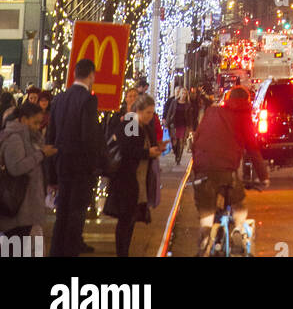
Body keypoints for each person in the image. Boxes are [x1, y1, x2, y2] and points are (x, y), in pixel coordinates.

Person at [191, 86, 268, 253]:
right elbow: (253, 149)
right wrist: (263, 177)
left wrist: (197, 168)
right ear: (247, 101)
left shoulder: (212, 112)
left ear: (227, 99)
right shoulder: (243, 117)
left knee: (206, 214)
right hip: (226, 171)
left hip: (203, 170)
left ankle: (205, 238)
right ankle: (238, 229)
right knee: (239, 205)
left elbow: (196, 140)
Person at [46, 56, 103, 257]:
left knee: (62, 213)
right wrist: (94, 165)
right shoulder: (88, 99)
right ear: (91, 76)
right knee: (76, 214)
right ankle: (70, 252)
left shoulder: (59, 98)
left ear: (74, 74)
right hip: (81, 167)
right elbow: (89, 136)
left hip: (61, 163)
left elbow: (51, 135)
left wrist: (51, 173)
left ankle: (56, 251)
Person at [103, 94, 161, 257]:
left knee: (130, 219)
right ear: (138, 111)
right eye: (148, 112)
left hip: (138, 179)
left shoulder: (143, 126)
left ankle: (124, 252)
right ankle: (122, 253)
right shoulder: (131, 123)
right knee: (125, 219)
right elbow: (127, 150)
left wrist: (155, 149)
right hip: (127, 179)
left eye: (152, 113)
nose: (150, 116)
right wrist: (147, 153)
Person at [0, 102, 56, 244]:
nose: (38, 127)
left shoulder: (30, 137)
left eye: (39, 123)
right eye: (35, 122)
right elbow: (16, 167)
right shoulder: (15, 138)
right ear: (24, 119)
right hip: (18, 208)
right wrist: (41, 154)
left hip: (27, 208)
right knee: (15, 247)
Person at [171, 88, 189, 165]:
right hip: (174, 124)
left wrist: (190, 126)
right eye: (182, 93)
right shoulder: (174, 102)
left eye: (185, 93)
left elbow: (190, 116)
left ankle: (179, 158)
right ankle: (176, 153)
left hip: (183, 125)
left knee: (181, 142)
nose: (183, 95)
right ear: (180, 94)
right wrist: (166, 123)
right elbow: (170, 112)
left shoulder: (188, 104)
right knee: (174, 142)